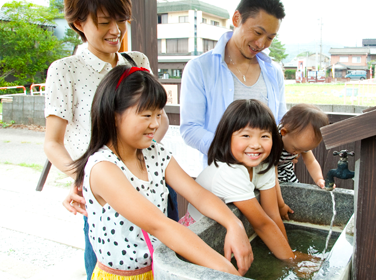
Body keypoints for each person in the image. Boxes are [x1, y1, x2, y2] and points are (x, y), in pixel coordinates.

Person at [71, 65, 252, 279]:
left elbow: (197, 193)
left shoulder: (155, 152)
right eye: (147, 115)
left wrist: (234, 223)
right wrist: (226, 271)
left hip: (160, 270)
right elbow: (160, 225)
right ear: (113, 115)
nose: (156, 124)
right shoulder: (103, 168)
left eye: (159, 114)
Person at [43, 1, 172, 278]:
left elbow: (159, 121)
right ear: (79, 24)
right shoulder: (65, 70)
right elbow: (53, 143)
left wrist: (142, 160)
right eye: (104, 23)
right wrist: (84, 178)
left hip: (149, 186)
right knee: (106, 269)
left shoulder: (137, 62)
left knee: (162, 262)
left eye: (122, 20)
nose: (116, 30)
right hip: (104, 199)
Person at [183, 99, 315, 263]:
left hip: (226, 232)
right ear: (226, 137)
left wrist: (289, 252)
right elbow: (262, 224)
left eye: (264, 136)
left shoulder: (264, 165)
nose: (256, 145)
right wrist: (293, 260)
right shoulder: (228, 172)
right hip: (196, 237)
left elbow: (272, 216)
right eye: (246, 135)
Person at [180, 0, 287, 166]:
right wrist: (234, 151)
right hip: (220, 176)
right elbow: (191, 129)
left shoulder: (274, 71)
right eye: (258, 32)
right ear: (237, 19)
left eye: (270, 38)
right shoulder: (200, 68)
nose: (261, 44)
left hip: (265, 174)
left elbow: (279, 123)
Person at [275, 104, 331, 220]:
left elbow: (311, 162)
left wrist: (319, 179)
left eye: (303, 150)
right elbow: (271, 178)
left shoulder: (298, 141)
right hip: (269, 173)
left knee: (296, 193)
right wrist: (280, 204)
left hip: (287, 171)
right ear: (284, 132)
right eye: (296, 149)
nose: (298, 153)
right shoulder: (273, 141)